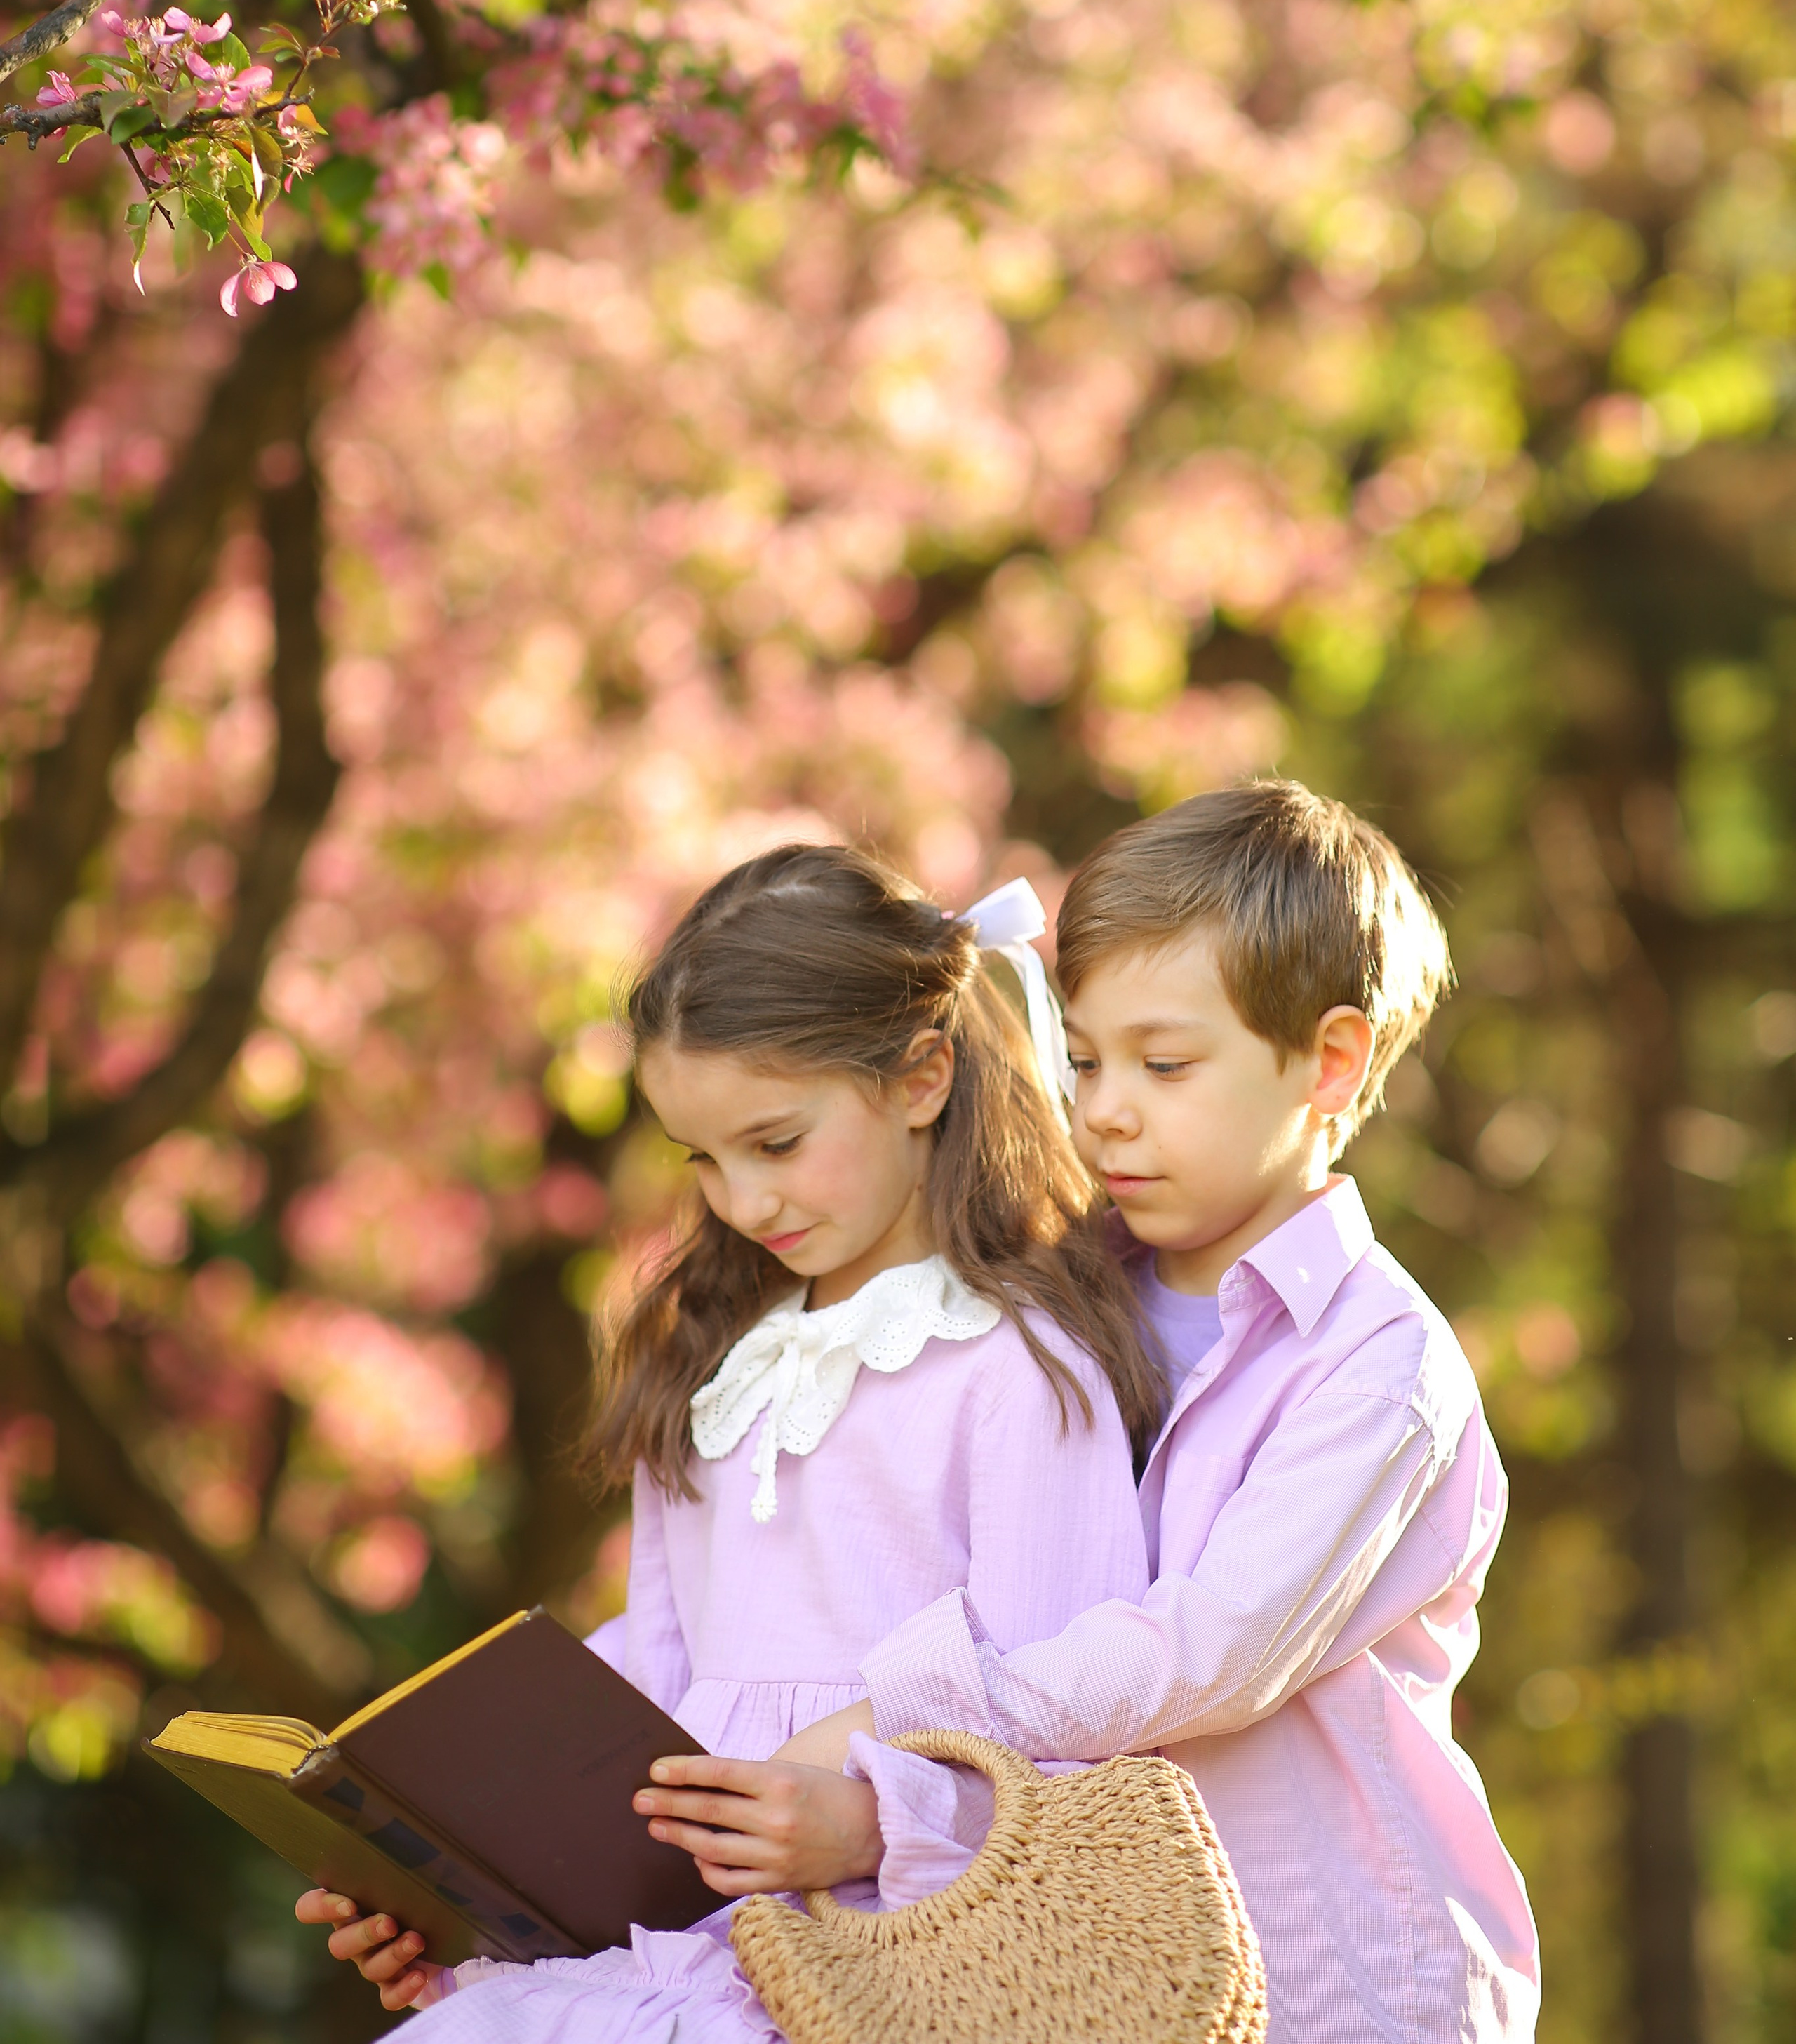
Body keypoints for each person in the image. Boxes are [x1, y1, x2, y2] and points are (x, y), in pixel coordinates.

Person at [646, 781, 1542, 2044]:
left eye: (1165, 1064)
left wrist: (885, 1721)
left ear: (1329, 1063)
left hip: (1329, 1977)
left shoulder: (1380, 1367)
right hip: (1071, 1970)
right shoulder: (1052, 1297)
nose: (1107, 1107)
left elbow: (1203, 1649)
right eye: (1084, 1058)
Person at [297, 840, 1160, 2036]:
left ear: (921, 1079)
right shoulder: (722, 1359)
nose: (744, 1205)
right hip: (670, 1914)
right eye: (703, 1160)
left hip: (889, 1938)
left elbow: (1073, 1722)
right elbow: (657, 1675)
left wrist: (879, 1822)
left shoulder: (1018, 1371)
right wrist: (465, 1898)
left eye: (777, 1143)